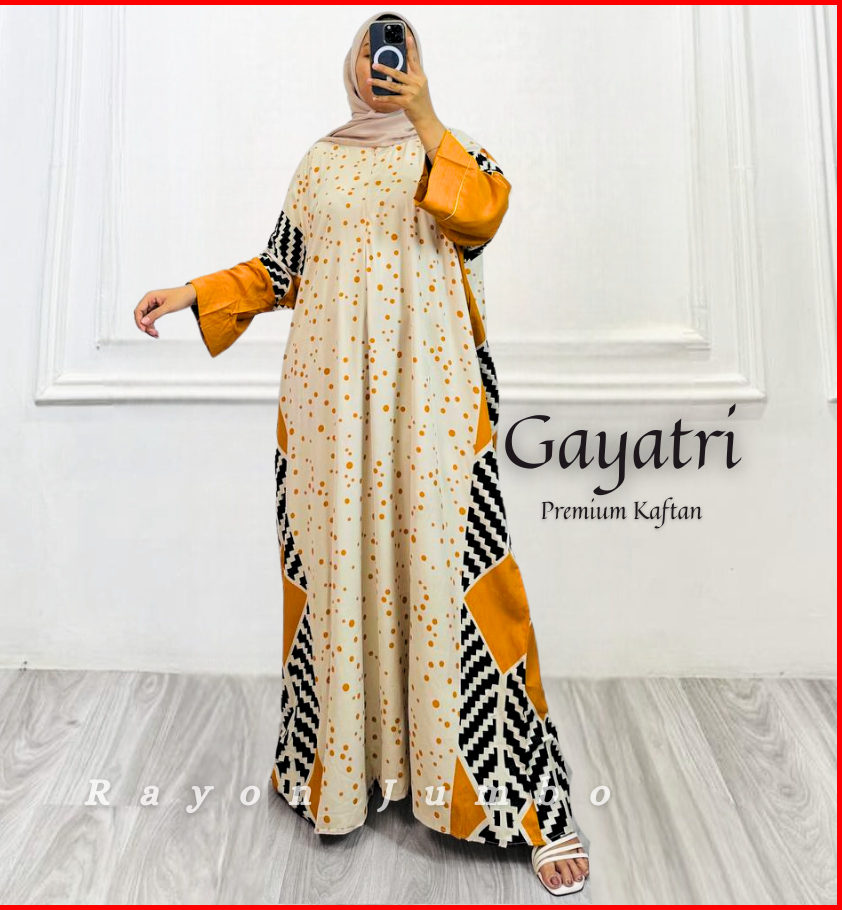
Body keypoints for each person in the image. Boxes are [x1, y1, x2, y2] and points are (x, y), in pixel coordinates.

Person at [134, 10, 589, 895]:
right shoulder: (318, 163)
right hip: (330, 416)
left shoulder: (454, 150)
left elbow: (482, 215)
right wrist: (193, 291)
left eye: (398, 50)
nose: (381, 64)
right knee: (342, 579)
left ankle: (524, 803)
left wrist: (424, 114)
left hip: (436, 407)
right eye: (372, 51)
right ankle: (351, 772)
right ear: (351, 65)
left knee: (464, 585)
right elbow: (281, 270)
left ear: (416, 64)